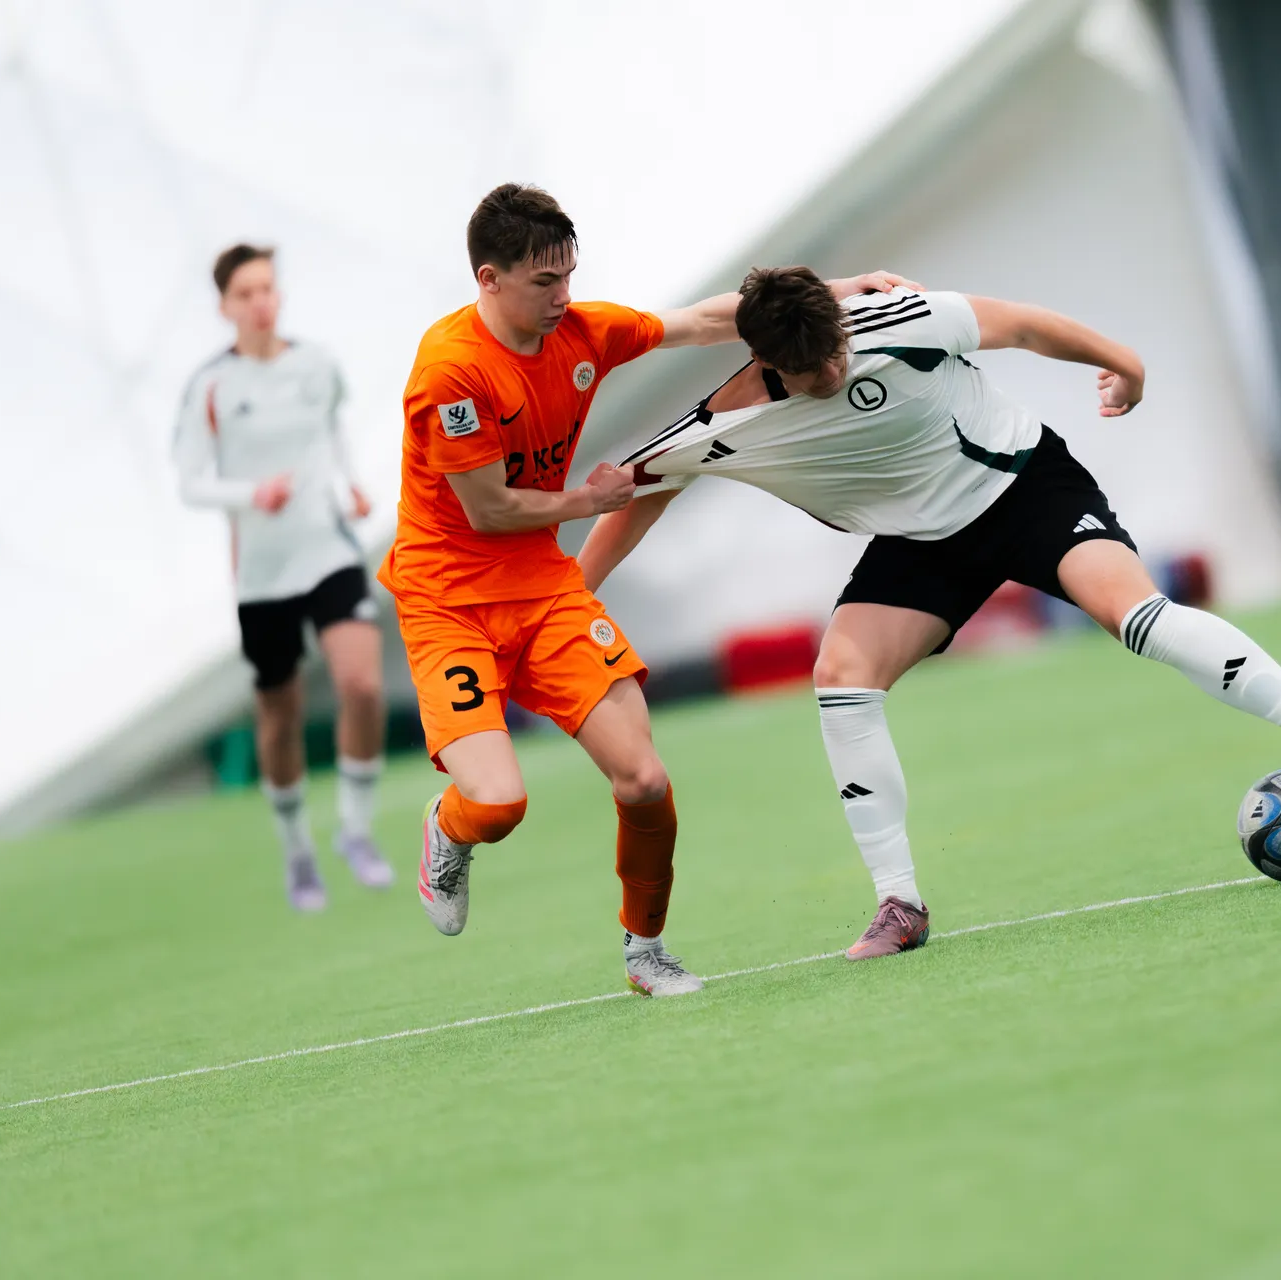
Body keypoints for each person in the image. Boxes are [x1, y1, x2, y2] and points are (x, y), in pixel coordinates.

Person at [579, 268, 1281, 960]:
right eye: (807, 369)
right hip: (921, 542)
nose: (829, 374)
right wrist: (575, 590)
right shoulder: (723, 425)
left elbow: (1024, 327)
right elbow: (643, 493)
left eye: (833, 352)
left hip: (1024, 490)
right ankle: (899, 904)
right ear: (763, 362)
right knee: (841, 677)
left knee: (1136, 616)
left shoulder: (898, 316)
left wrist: (1124, 365)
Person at [383, 184, 909, 996]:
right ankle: (447, 833)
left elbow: (706, 320)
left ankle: (645, 951)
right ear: (488, 279)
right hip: (446, 602)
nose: (562, 297)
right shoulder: (452, 374)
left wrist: (838, 290)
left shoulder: (584, 331)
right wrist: (591, 502)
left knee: (646, 782)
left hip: (545, 591)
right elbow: (488, 510)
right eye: (541, 282)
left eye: (568, 275)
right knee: (497, 804)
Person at [175, 243, 394, 912]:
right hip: (263, 574)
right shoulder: (210, 387)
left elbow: (331, 433)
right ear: (224, 306)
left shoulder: (316, 364)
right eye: (246, 293)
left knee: (361, 682)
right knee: (281, 713)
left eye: (268, 288)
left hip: (325, 548)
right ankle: (298, 849)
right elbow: (191, 482)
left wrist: (351, 486)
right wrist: (250, 495)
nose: (261, 302)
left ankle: (356, 831)